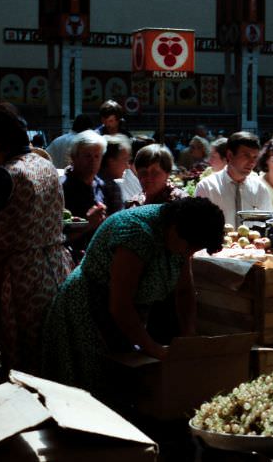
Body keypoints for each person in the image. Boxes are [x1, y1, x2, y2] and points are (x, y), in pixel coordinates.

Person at [41, 198, 225, 393]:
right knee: (90, 391)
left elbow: (184, 291)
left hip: (120, 317)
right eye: (189, 247)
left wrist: (189, 337)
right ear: (175, 229)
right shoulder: (137, 233)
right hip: (86, 312)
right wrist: (154, 348)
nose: (189, 253)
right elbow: (121, 305)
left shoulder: (181, 234)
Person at [0, 103, 73, 372]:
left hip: (23, 278)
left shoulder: (6, 174)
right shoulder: (45, 164)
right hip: (57, 270)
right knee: (53, 352)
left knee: (24, 359)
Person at [194, 132, 272, 227]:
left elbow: (267, 225)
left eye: (255, 157)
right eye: (246, 156)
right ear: (230, 155)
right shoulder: (207, 187)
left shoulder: (260, 189)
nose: (252, 162)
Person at [62, 130, 110, 254]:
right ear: (74, 157)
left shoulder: (101, 185)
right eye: (87, 156)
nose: (93, 161)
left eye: (97, 156)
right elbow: (57, 238)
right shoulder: (62, 189)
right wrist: (88, 224)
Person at [98, 134, 132, 214]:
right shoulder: (112, 187)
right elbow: (118, 219)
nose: (127, 166)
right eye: (125, 160)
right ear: (111, 161)